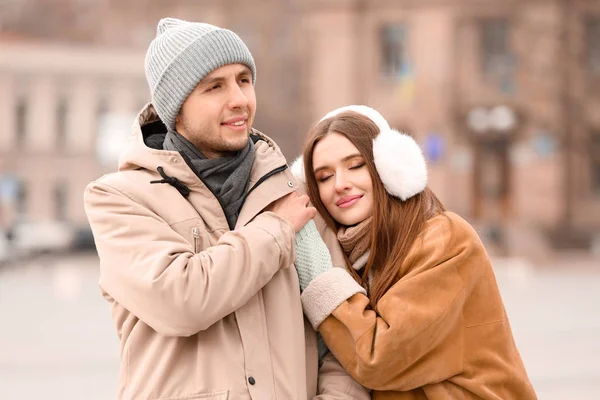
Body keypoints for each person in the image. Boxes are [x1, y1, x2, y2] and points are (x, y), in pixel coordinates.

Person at [84, 18, 369, 400]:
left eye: (244, 80)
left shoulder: (292, 195)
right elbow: (180, 299)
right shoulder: (120, 199)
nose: (239, 99)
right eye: (214, 87)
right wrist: (275, 229)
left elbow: (342, 328)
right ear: (176, 108)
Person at [291, 105, 538, 399]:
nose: (340, 184)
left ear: (387, 168)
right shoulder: (352, 259)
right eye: (324, 177)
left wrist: (316, 271)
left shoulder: (444, 240)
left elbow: (378, 357)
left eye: (355, 165)